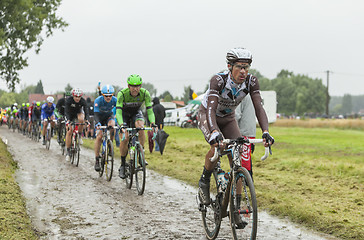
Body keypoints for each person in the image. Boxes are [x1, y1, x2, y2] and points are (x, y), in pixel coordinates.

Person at [197, 47, 275, 215]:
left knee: (237, 156)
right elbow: (210, 109)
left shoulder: (251, 81)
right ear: (229, 66)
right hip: (208, 116)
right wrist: (214, 133)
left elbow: (258, 107)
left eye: (246, 67)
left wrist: (266, 131)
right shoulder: (218, 81)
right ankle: (204, 180)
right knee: (218, 146)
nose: (243, 71)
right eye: (239, 66)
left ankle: (235, 207)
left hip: (228, 118)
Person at [115, 74, 156, 179]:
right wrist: (121, 125)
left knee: (141, 127)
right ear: (128, 86)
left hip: (136, 113)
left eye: (137, 86)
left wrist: (152, 123)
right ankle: (123, 165)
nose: (135, 89)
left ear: (141, 86)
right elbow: (118, 113)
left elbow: (150, 111)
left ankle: (140, 154)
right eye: (132, 86)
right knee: (125, 138)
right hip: (123, 115)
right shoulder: (122, 94)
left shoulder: (145, 94)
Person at [93, 85, 117, 172]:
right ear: (102, 95)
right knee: (99, 136)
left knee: (112, 126)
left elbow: (119, 110)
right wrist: (97, 123)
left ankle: (110, 144)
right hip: (99, 117)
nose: (108, 97)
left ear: (112, 95)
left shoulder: (115, 100)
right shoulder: (98, 100)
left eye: (110, 95)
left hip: (108, 116)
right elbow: (95, 114)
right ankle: (96, 159)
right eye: (106, 96)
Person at [235, 95, 256, 178]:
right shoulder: (251, 93)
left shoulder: (241, 94)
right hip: (250, 132)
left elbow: (236, 115)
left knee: (242, 163)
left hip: (243, 132)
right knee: (246, 161)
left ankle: (244, 181)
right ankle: (247, 181)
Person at [64, 88, 89, 161]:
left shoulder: (83, 101)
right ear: (73, 96)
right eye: (76, 97)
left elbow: (86, 111)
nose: (77, 98)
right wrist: (68, 120)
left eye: (79, 97)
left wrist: (87, 120)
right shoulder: (69, 100)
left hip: (78, 113)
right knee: (69, 131)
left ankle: (79, 135)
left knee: (81, 120)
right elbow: (66, 112)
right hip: (70, 115)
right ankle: (68, 151)